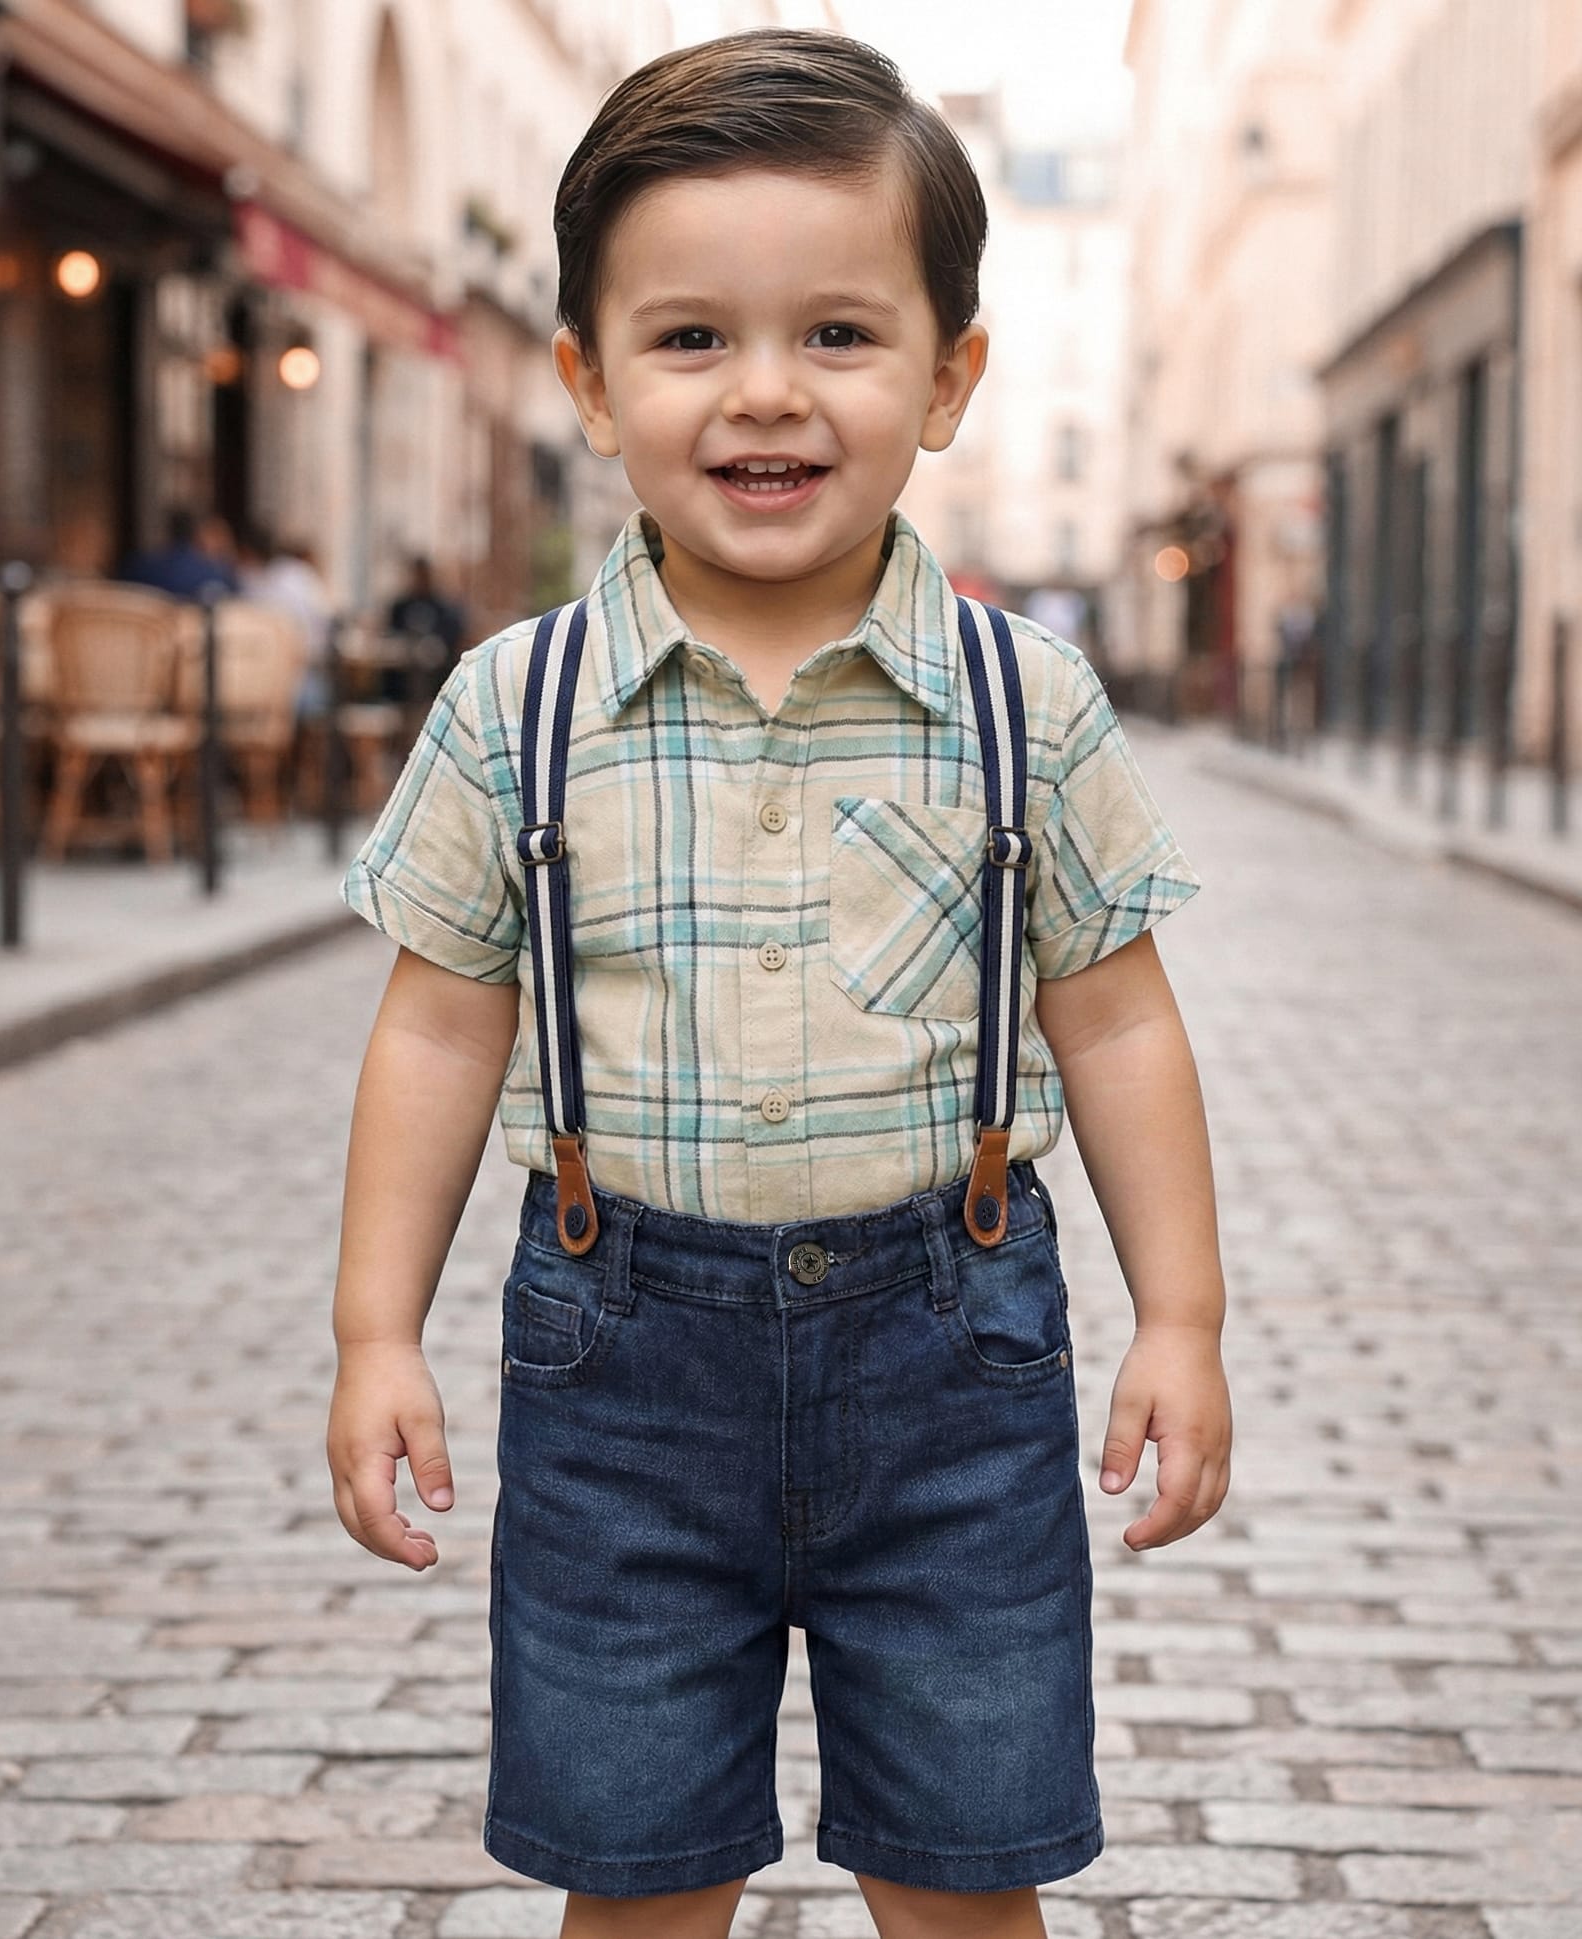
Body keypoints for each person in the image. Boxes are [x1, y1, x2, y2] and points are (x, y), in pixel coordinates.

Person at [327, 28, 1232, 1939]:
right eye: (690, 339)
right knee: (641, 1871)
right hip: (619, 1373)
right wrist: (372, 1331)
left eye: (838, 333)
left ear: (949, 376)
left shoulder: (1025, 699)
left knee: (966, 1867)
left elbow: (1119, 1014)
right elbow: (435, 1020)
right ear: (587, 378)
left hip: (956, 1364)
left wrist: (1185, 1317)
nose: (766, 395)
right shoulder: (519, 704)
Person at [238, 526, 335, 720]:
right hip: (298, 681)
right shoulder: (298, 577)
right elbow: (326, 622)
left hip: (269, 687)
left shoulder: (252, 585)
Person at [381, 553, 464, 705]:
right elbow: (391, 634)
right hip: (401, 672)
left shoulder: (443, 608)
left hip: (435, 674)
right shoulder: (400, 606)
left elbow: (451, 637)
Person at [117, 507, 239, 601]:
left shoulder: (138, 563)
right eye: (217, 536)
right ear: (199, 535)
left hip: (144, 630)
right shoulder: (212, 573)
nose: (223, 542)